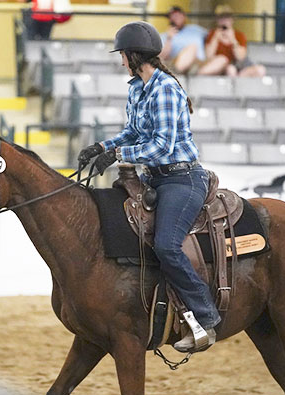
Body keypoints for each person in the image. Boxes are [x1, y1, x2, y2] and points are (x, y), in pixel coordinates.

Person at [77, 21, 220, 352]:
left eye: (122, 55)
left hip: (181, 178)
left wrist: (117, 155)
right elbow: (131, 132)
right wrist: (102, 147)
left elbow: (161, 146)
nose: (120, 61)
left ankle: (206, 315)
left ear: (132, 55)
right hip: (155, 178)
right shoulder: (136, 88)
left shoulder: (166, 89)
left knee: (167, 244)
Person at [199, 5, 266, 77]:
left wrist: (233, 39)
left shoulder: (239, 35)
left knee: (261, 70)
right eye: (221, 18)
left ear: (232, 20)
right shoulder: (212, 34)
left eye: (227, 18)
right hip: (222, 67)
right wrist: (215, 38)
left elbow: (241, 57)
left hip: (239, 67)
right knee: (230, 69)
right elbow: (209, 56)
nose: (224, 21)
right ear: (217, 20)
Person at [159, 6, 208, 75]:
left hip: (200, 65)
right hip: (179, 64)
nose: (174, 18)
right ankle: (177, 76)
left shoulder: (196, 29)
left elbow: (211, 37)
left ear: (184, 16)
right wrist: (169, 38)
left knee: (223, 60)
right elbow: (162, 57)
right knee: (192, 48)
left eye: (177, 15)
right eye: (171, 16)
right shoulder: (165, 35)